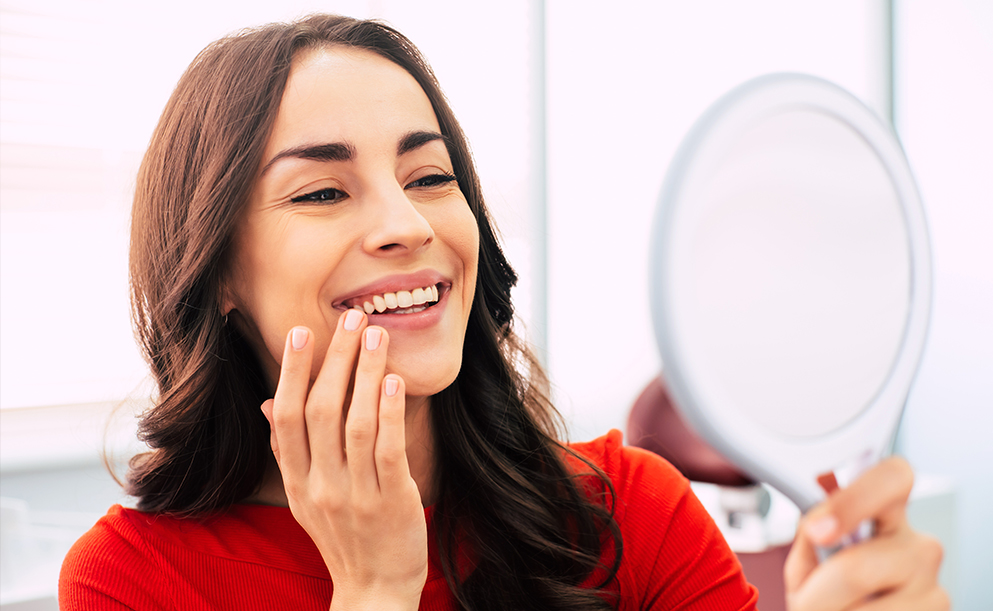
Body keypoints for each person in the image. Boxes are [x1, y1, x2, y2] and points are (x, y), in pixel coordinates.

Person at [59, 14, 948, 611]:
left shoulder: (633, 513)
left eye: (431, 177)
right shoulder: (129, 582)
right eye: (325, 190)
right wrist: (374, 588)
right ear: (215, 268)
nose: (407, 225)